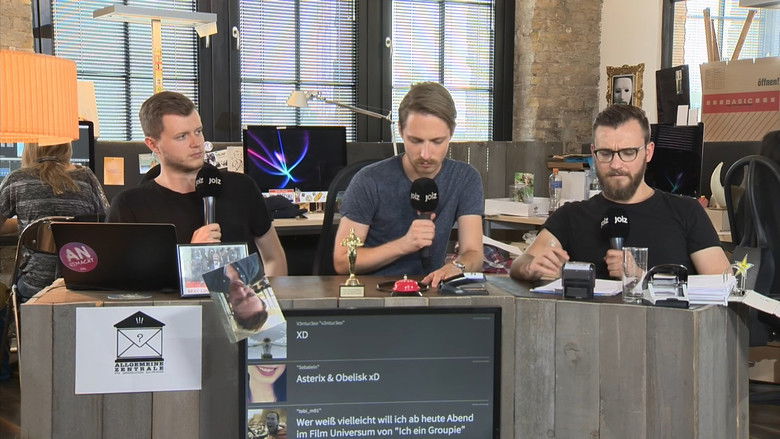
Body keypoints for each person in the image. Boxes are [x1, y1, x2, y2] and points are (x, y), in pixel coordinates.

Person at [510, 104, 730, 281]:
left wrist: (641, 277)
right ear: (594, 153)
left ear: (648, 152)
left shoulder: (686, 212)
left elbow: (723, 284)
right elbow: (522, 262)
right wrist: (531, 267)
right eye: (606, 153)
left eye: (628, 152)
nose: (616, 164)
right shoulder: (571, 216)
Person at [107, 91, 287, 275]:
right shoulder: (130, 206)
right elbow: (124, 280)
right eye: (182, 136)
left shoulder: (242, 187)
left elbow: (273, 258)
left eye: (198, 131)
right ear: (153, 144)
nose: (196, 143)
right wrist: (192, 256)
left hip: (242, 293)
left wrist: (270, 293)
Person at [334, 82, 484, 287]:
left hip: (430, 291)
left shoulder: (465, 178)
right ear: (400, 130)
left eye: (437, 141)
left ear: (451, 133)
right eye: (415, 141)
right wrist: (404, 245)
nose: (425, 154)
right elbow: (342, 261)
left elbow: (474, 253)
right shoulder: (368, 180)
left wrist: (457, 266)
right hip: (376, 293)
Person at [0, 142, 109, 299]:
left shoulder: (16, 179)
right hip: (79, 281)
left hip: (34, 287)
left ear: (30, 149)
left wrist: (29, 225)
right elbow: (107, 223)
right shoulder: (87, 177)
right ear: (67, 147)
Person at [224, 261, 268, 331]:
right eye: (250, 294)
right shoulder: (253, 267)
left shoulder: (209, 283)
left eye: (239, 301)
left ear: (232, 306)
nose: (241, 290)